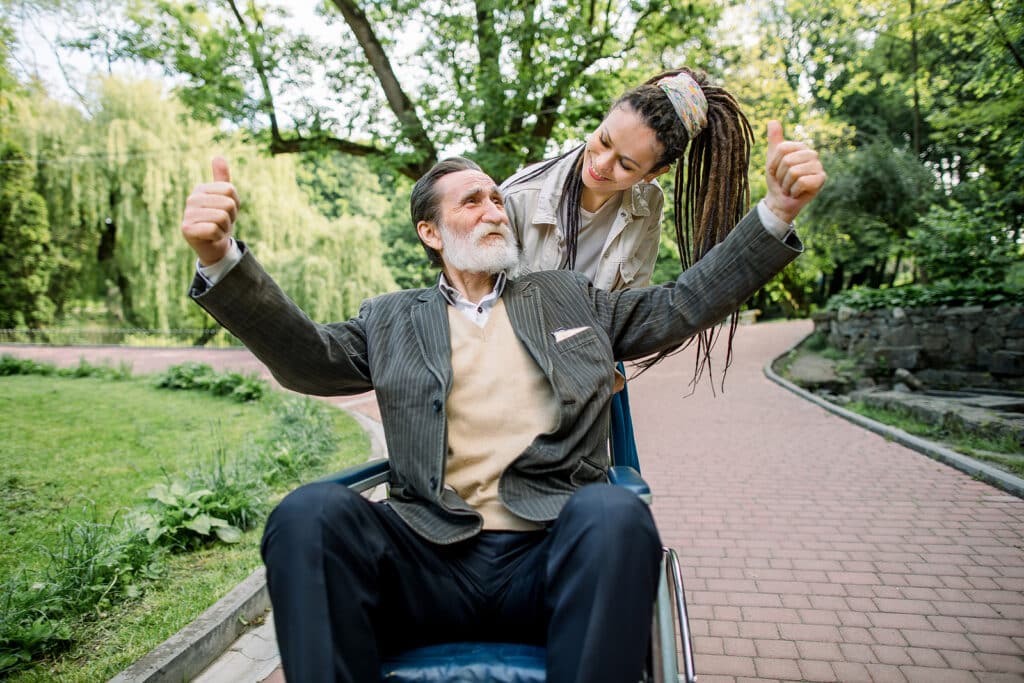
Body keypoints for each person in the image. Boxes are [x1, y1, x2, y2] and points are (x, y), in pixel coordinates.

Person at [179, 121, 824, 682]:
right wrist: (221, 258)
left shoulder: (569, 298)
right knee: (308, 513)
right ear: (431, 233)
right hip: (427, 560)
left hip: (549, 556)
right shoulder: (391, 318)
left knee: (613, 513)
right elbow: (308, 361)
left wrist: (774, 214)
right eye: (471, 201)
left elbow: (682, 302)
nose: (494, 208)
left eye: (496, 196)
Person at [502, 67, 814, 467]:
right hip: (514, 383)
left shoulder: (647, 204)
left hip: (587, 387)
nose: (600, 164)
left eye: (626, 165)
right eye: (602, 140)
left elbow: (633, 309)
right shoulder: (516, 198)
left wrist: (777, 211)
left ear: (654, 173)